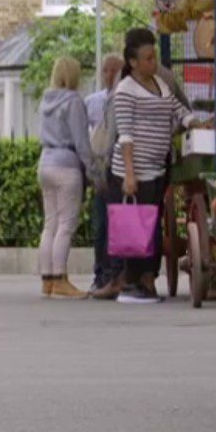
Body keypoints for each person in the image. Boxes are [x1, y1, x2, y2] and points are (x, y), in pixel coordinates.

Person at [107, 28, 197, 305]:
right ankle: (133, 281)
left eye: (154, 57)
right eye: (147, 59)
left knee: (151, 225)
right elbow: (125, 135)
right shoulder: (125, 91)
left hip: (157, 168)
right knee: (135, 226)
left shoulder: (160, 84)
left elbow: (179, 112)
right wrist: (130, 175)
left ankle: (147, 278)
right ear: (133, 62)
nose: (153, 63)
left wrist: (196, 122)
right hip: (132, 172)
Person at [36, 57, 94, 300]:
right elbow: (81, 140)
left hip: (45, 163)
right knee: (66, 225)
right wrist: (92, 170)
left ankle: (47, 280)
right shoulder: (73, 102)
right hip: (67, 165)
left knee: (50, 224)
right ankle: (61, 279)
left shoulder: (45, 101)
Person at [85, 55, 124, 298]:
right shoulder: (93, 102)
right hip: (100, 168)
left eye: (114, 70)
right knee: (100, 225)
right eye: (105, 71)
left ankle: (115, 274)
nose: (109, 75)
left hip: (115, 166)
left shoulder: (121, 96)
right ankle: (100, 274)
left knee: (114, 223)